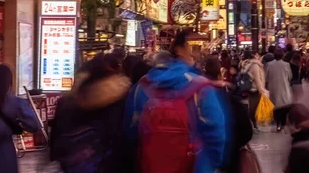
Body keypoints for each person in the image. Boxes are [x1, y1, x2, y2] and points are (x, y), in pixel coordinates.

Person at [128, 31, 226, 173]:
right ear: (181, 51)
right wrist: (212, 164)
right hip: (195, 165)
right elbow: (216, 131)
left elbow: (131, 130)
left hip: (151, 164)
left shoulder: (142, 85)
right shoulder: (201, 87)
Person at [50, 53, 131, 173]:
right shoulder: (119, 94)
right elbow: (118, 130)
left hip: (76, 160)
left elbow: (58, 130)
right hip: (104, 159)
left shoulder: (72, 98)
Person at [241, 50, 269, 132]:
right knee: (255, 108)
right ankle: (253, 125)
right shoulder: (255, 65)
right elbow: (257, 79)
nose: (259, 55)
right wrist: (262, 90)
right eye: (257, 54)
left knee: (252, 107)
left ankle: (253, 124)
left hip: (250, 88)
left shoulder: (245, 64)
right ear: (254, 55)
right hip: (255, 89)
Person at [266, 48, 293, 132]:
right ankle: (283, 124)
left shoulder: (269, 65)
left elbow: (266, 77)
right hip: (284, 87)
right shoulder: (286, 65)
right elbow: (290, 77)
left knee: (275, 107)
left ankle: (278, 124)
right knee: (284, 106)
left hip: (273, 87)